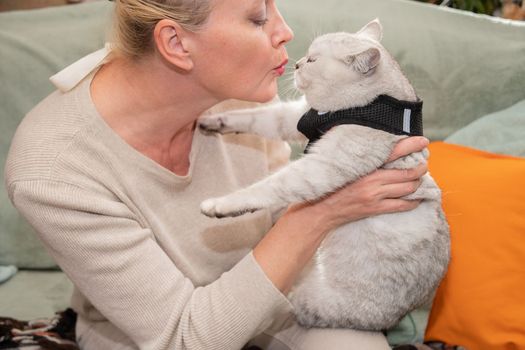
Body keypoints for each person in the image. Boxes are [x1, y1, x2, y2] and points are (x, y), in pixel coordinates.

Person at [4, 0, 429, 349]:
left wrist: (350, 173)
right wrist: (321, 211)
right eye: (258, 18)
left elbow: (281, 231)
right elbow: (183, 338)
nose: (285, 32)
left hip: (270, 294)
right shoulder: (51, 169)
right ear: (175, 42)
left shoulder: (245, 89)